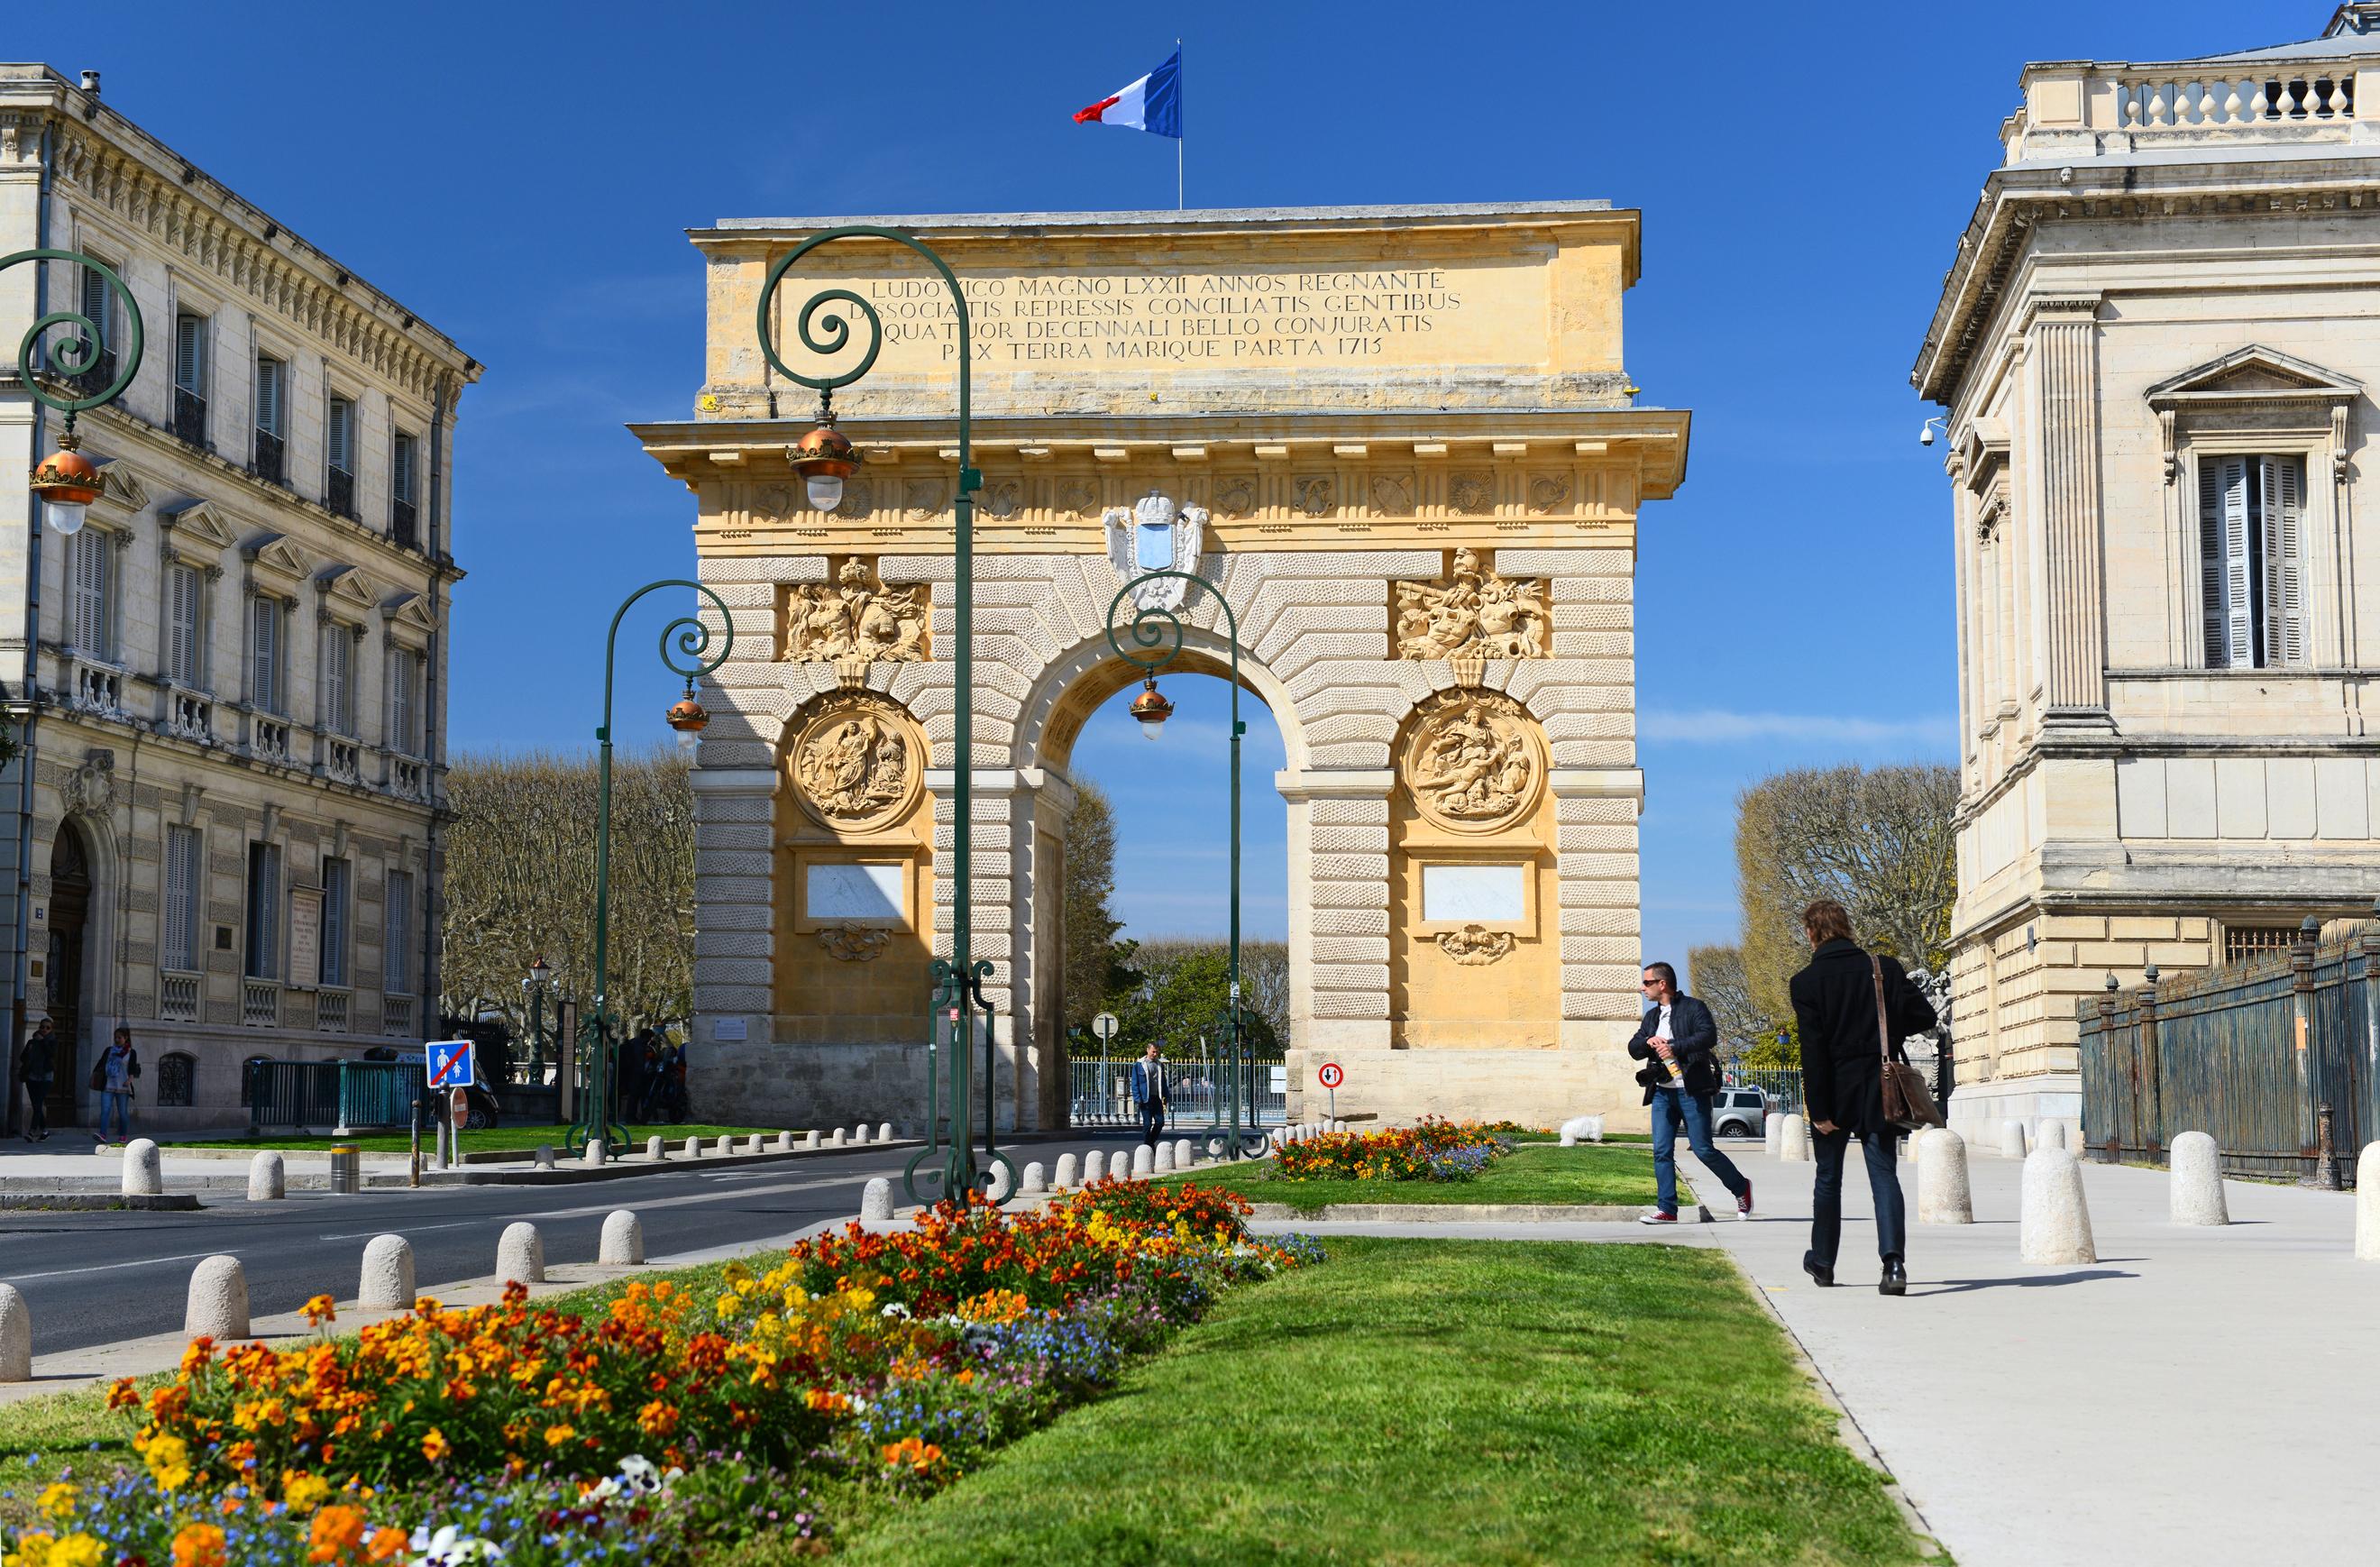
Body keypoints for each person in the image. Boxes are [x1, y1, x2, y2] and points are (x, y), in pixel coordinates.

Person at [1790, 898, 1938, 1297]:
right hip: (1880, 1084)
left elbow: (1813, 1052)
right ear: (1847, 927)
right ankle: (1893, 1264)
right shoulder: (1884, 969)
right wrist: (1887, 1030)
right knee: (1884, 1176)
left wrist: (1818, 1109)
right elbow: (1927, 1017)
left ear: (1811, 933)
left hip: (1835, 1090)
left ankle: (1823, 1261)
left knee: (1828, 1179)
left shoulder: (1805, 982)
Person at [1627, 962, 1753, 1224]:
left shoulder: (1694, 1008)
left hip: (1692, 1090)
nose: (1642, 988)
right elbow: (1634, 1047)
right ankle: (1667, 1210)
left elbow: (1709, 1036)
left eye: (1647, 983)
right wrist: (1647, 1042)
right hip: (1662, 1092)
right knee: (1661, 1151)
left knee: (1703, 1149)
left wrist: (1674, 1047)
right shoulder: (1652, 1017)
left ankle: (1741, 1187)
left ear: (1662, 984)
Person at [92, 1026, 140, 1145]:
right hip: (108, 1085)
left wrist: (130, 1079)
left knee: (122, 1112)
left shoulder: (131, 1052)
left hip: (123, 1086)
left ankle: (123, 1135)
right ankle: (103, 1134)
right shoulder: (109, 1050)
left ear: (126, 1038)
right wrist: (95, 1075)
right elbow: (101, 1064)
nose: (117, 1040)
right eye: (115, 1037)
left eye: (120, 1037)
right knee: (105, 1110)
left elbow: (133, 1068)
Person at [15, 1017, 57, 1141]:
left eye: (47, 1028)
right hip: (31, 1076)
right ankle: (44, 1130)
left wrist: (43, 1041)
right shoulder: (32, 1042)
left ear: (51, 1030)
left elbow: (51, 1054)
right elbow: (22, 1058)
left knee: (38, 1104)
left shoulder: (53, 1041)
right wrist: (29, 1052)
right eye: (42, 1027)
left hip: (46, 1077)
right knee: (36, 1105)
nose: (44, 1029)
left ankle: (32, 1131)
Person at [1130, 1041, 1168, 1149]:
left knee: (1160, 1122)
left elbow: (1163, 1082)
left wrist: (1166, 1097)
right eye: (1153, 1052)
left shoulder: (1160, 1065)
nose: (1155, 1054)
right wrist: (1138, 1098)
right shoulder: (1139, 1065)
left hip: (1157, 1098)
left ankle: (1150, 1143)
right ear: (1147, 1050)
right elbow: (1135, 1083)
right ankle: (1147, 1145)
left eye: (1157, 1052)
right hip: (1145, 1099)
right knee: (1147, 1124)